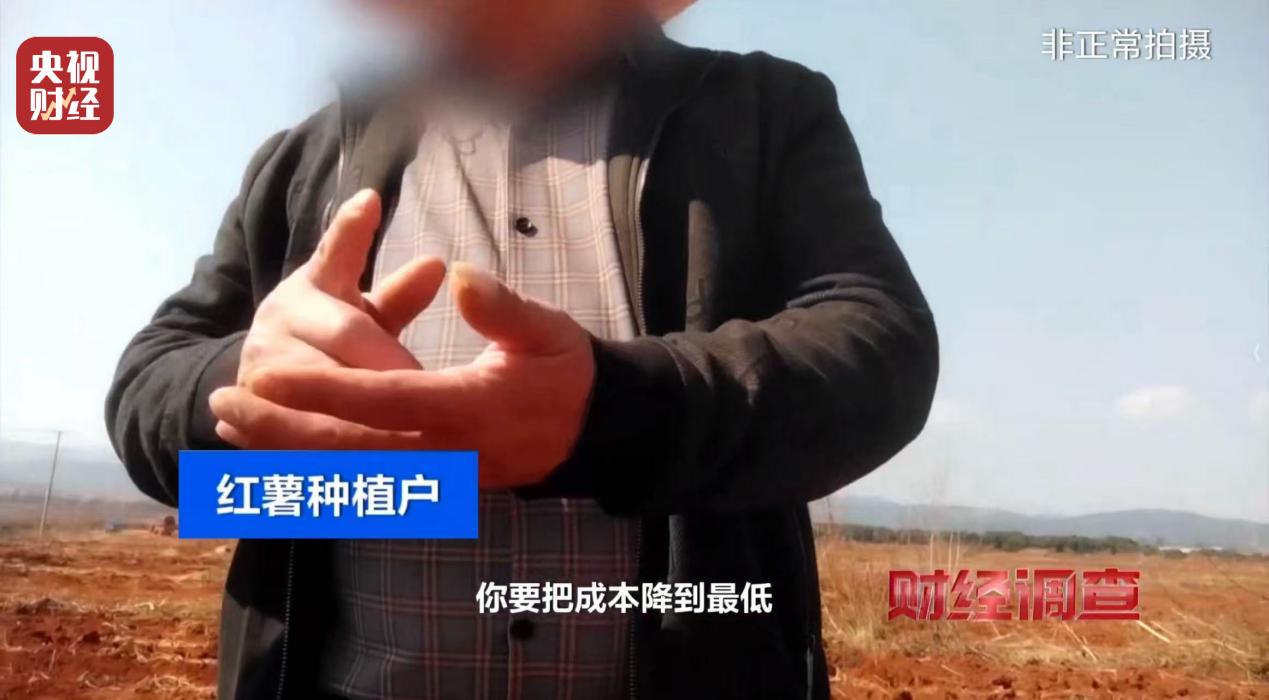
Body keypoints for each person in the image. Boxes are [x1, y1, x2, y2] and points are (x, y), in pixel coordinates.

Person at [106, 1, 939, 698]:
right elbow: (149, 391)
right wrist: (248, 386)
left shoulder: (761, 112)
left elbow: (880, 346)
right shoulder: (307, 159)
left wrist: (612, 412)